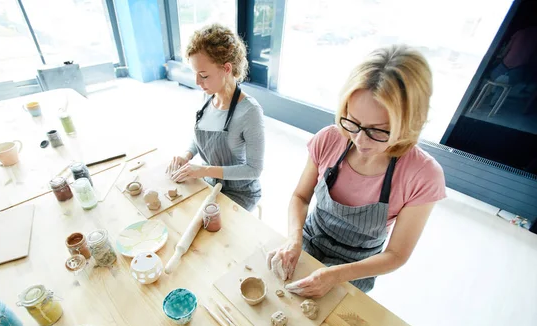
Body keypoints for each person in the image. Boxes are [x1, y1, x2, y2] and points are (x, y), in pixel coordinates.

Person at [267, 45, 445, 296]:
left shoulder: (423, 176)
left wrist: (334, 275)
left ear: (410, 123)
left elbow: (396, 255)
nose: (360, 139)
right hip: (310, 238)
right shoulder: (329, 138)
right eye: (352, 122)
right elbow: (300, 197)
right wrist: (293, 239)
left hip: (358, 265)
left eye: (378, 130)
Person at [167, 24, 265, 211]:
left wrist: (203, 170)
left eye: (203, 75)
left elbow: (254, 169)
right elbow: (203, 139)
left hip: (239, 192)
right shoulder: (207, 97)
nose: (197, 82)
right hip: (209, 182)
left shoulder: (250, 112)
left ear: (227, 68)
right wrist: (186, 156)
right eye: (195, 74)